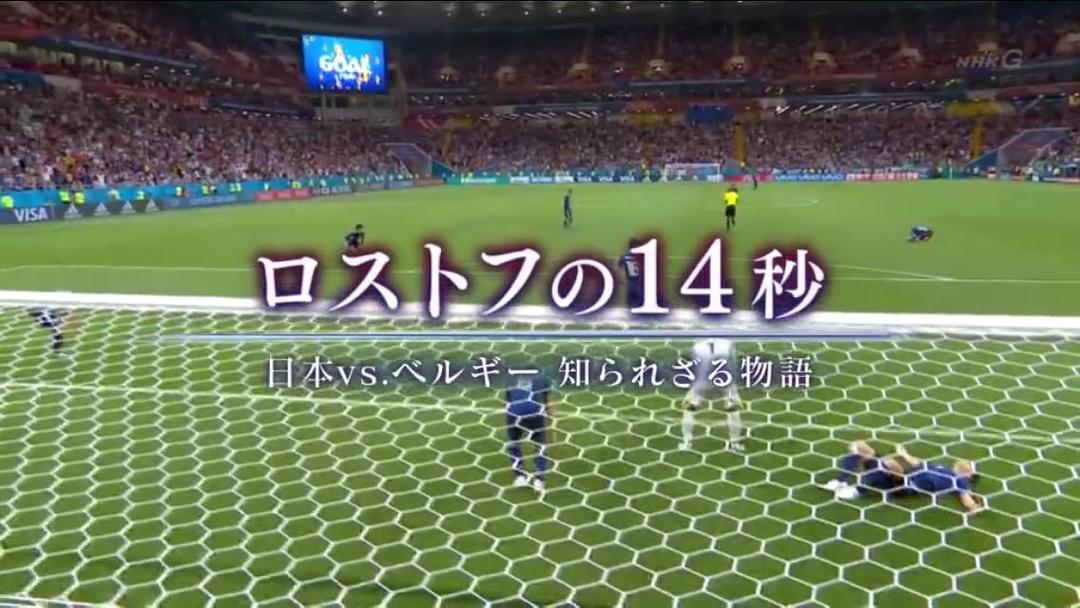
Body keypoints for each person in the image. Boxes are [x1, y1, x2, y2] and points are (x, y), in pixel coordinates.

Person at [828, 441, 983, 513]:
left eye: (969, 465)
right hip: (902, 476)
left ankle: (855, 492)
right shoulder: (942, 468)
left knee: (891, 464)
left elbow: (968, 501)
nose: (965, 462)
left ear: (969, 474)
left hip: (907, 486)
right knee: (859, 446)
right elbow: (917, 463)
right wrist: (904, 454)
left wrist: (974, 508)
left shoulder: (961, 482)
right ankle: (841, 481)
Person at [682, 339, 743, 452]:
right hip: (724, 379)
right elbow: (733, 363)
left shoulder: (697, 345)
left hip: (702, 381)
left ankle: (687, 443)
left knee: (690, 408)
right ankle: (734, 443)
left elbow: (693, 366)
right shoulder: (727, 343)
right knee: (732, 409)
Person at [506, 375, 554, 497]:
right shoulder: (543, 378)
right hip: (535, 413)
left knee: (513, 443)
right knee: (540, 445)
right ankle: (539, 480)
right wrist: (551, 422)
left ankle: (520, 476)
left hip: (514, 412)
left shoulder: (512, 376)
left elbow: (508, 399)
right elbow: (548, 402)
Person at [618, 239, 643, 309]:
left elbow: (618, 267)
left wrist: (620, 277)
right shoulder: (642, 256)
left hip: (630, 284)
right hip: (640, 284)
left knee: (629, 307)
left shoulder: (624, 256)